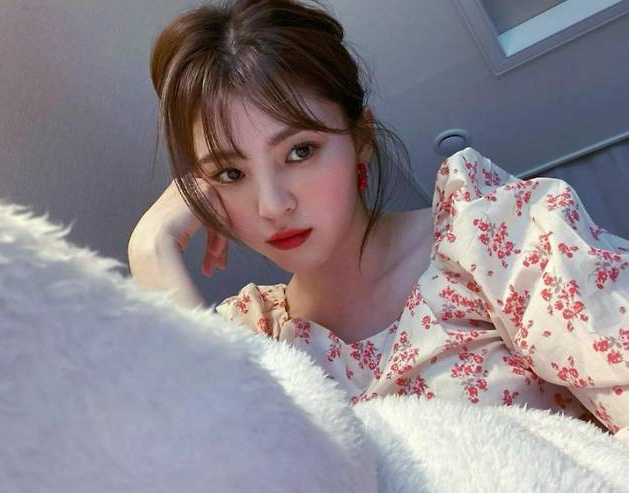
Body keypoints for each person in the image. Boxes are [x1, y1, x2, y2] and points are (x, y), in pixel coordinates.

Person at [128, 0, 629, 439]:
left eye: (301, 151)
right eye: (231, 173)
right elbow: (224, 466)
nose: (272, 204)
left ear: (360, 141)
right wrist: (150, 250)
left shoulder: (491, 235)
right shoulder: (250, 339)